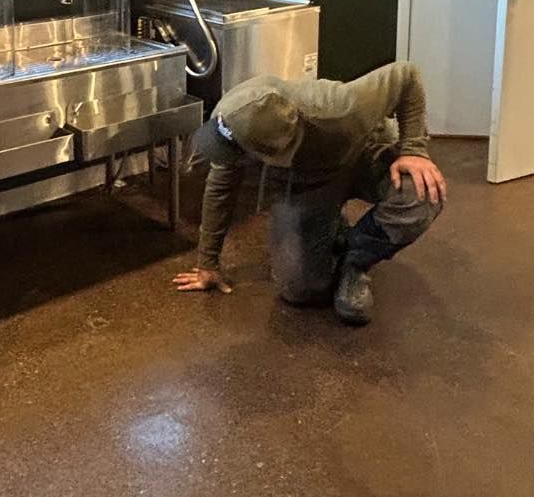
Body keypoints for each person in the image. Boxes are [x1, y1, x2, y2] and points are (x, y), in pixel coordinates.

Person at [173, 61, 445, 324]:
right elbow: (220, 186)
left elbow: (406, 76)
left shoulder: (340, 106)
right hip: (309, 182)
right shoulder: (231, 119)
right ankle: (334, 231)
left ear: (276, 150)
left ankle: (356, 262)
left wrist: (414, 150)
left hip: (364, 152)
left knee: (421, 194)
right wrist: (208, 263)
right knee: (299, 290)